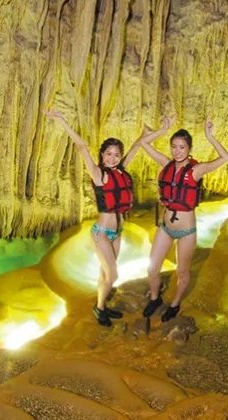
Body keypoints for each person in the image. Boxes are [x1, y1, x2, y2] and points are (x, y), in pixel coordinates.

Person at [46, 110, 173, 327]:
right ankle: (99, 307)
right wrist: (61, 121)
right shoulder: (99, 174)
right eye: (109, 154)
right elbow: (81, 146)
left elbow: (136, 147)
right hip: (102, 233)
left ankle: (102, 305)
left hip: (117, 232)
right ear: (102, 155)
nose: (113, 158)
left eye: (116, 154)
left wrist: (160, 130)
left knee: (104, 273)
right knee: (112, 275)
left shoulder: (121, 171)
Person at [139, 119, 228, 322]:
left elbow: (225, 157)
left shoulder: (196, 171)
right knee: (152, 268)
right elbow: (144, 144)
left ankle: (175, 303)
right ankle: (154, 299)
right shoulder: (166, 164)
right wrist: (162, 129)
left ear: (189, 149)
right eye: (174, 146)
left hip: (186, 231)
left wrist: (210, 137)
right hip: (165, 227)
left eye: (182, 147)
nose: (177, 151)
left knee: (182, 271)